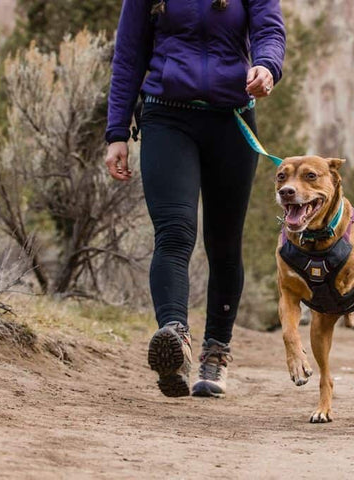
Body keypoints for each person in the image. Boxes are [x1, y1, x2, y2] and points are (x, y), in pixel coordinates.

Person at [104, 0, 286, 398]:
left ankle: (216, 352)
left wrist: (268, 66)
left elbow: (269, 31)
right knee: (174, 231)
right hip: (167, 117)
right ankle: (174, 338)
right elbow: (129, 53)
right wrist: (117, 130)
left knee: (224, 243)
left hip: (232, 119)